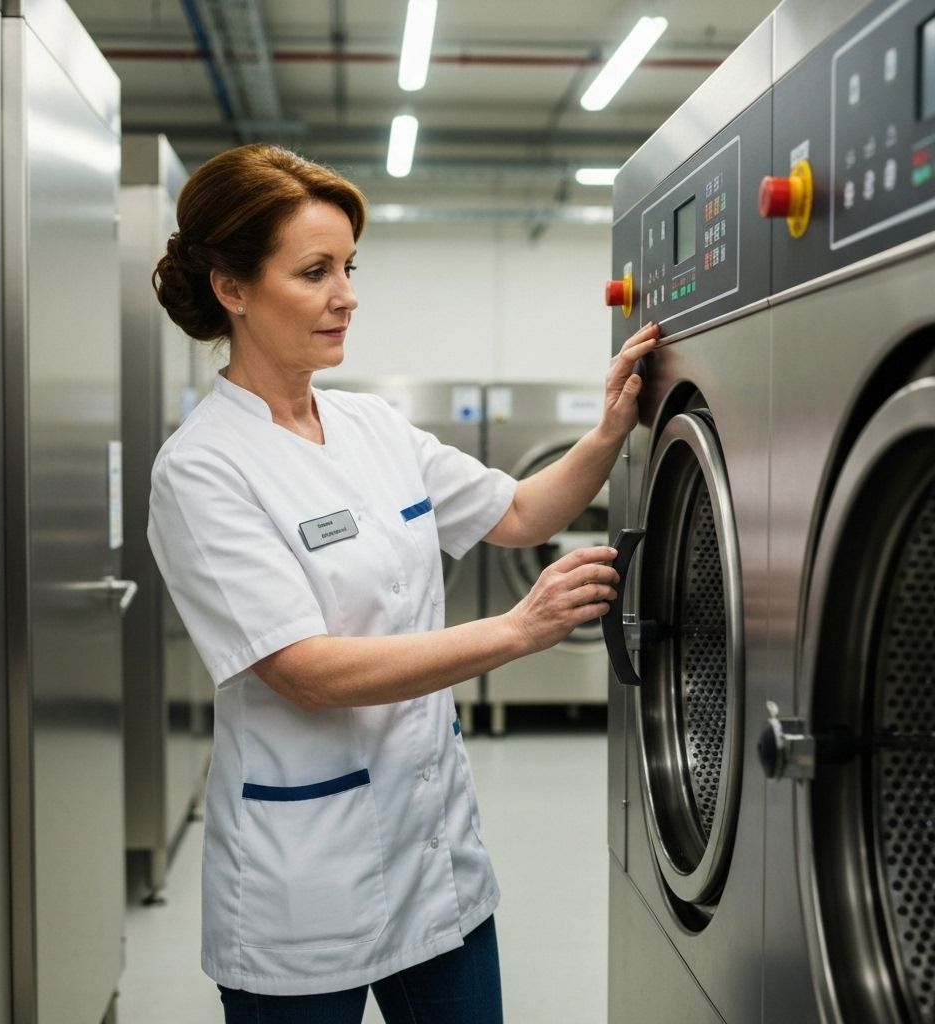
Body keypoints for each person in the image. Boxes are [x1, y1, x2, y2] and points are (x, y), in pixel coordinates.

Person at [148, 142, 660, 1024]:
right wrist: (516, 630)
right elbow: (303, 669)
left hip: (436, 857)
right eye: (314, 272)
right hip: (302, 879)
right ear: (232, 288)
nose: (347, 295)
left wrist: (611, 428)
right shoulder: (201, 470)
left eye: (350, 266)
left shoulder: (371, 425)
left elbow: (522, 513)